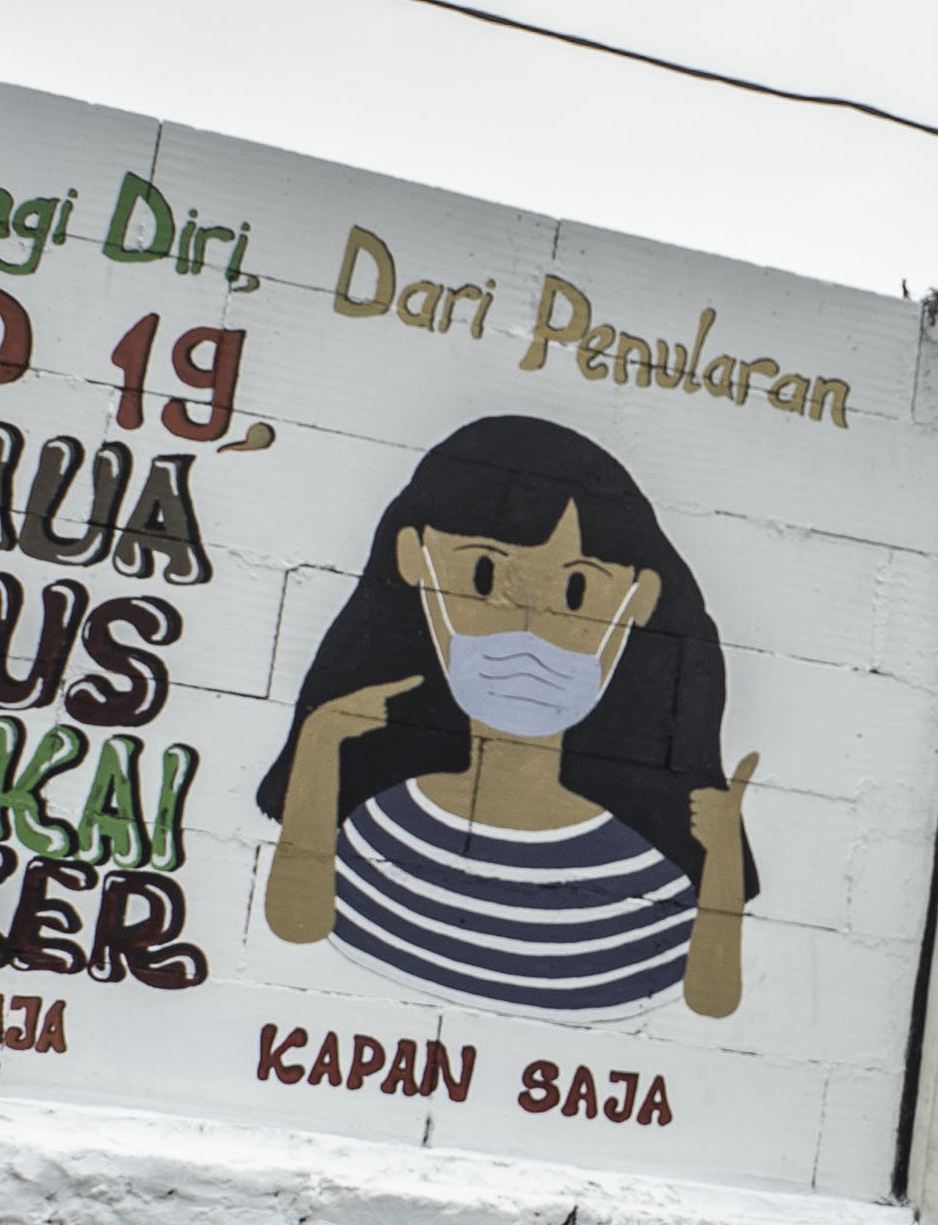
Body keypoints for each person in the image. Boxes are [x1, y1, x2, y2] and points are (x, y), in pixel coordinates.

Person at [255, 413, 760, 1018]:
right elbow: (297, 925)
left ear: (639, 600)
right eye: (485, 574)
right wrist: (320, 746)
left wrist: (722, 860)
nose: (528, 625)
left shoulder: (640, 876)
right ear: (416, 560)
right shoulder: (384, 825)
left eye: (576, 590)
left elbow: (710, 1000)